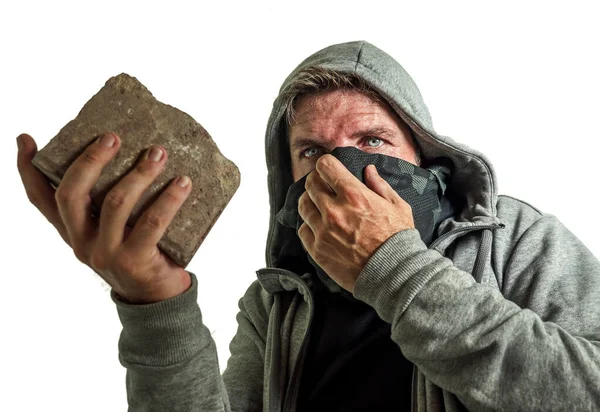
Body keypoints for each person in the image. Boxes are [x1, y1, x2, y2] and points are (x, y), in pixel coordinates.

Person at [16, 40, 600, 411]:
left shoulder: (516, 241)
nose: (339, 168)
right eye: (312, 152)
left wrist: (395, 272)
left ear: (426, 158)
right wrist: (153, 303)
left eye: (372, 140)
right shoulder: (277, 304)